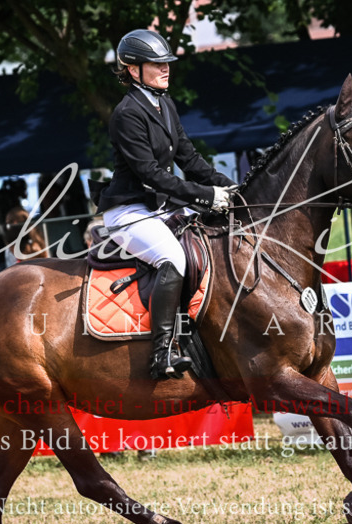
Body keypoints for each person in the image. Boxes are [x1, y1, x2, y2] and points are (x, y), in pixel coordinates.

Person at [97, 28, 237, 380]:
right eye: (156, 64)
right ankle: (162, 352)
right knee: (172, 259)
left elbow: (190, 159)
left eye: (166, 63)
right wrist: (205, 196)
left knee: (214, 238)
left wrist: (231, 187)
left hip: (160, 206)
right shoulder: (127, 114)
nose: (165, 69)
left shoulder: (165, 104)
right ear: (133, 69)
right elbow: (151, 175)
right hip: (129, 210)